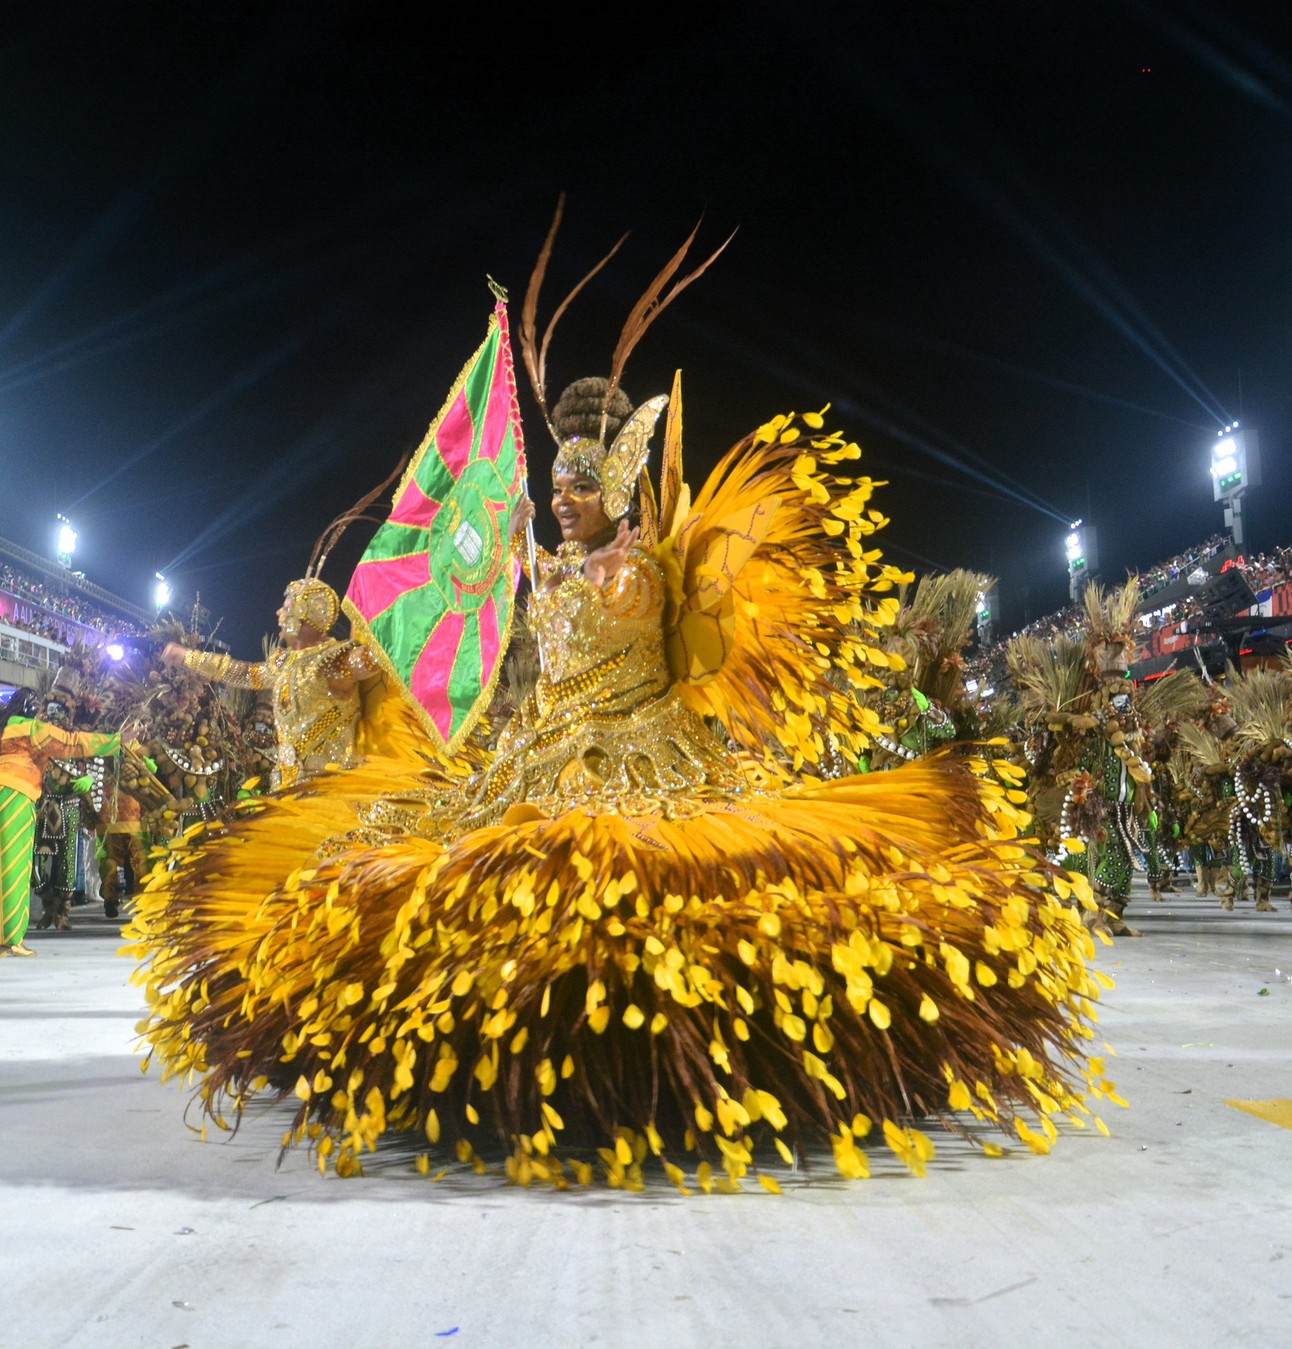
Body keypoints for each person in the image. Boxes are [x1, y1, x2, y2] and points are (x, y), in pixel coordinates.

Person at [162, 577, 380, 790]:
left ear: (304, 614)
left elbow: (381, 655)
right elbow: (243, 674)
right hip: (288, 789)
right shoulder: (283, 664)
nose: (279, 613)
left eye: (287, 607)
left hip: (333, 793)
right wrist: (188, 657)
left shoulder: (335, 660)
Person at [1, 690, 122, 957]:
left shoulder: (5, 728)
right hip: (19, 796)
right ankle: (11, 938)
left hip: (36, 801)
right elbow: (71, 743)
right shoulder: (31, 729)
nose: (44, 712)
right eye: (39, 707)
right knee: (16, 867)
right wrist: (116, 741)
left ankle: (57, 913)